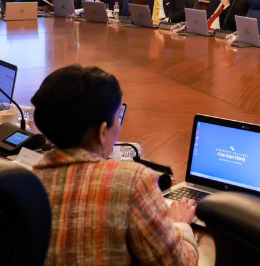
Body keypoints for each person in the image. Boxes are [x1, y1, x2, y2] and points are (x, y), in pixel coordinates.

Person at [32, 65, 198, 266]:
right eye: (118, 118)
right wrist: (179, 224)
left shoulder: (30, 182)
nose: (119, 126)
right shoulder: (131, 181)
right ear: (103, 132)